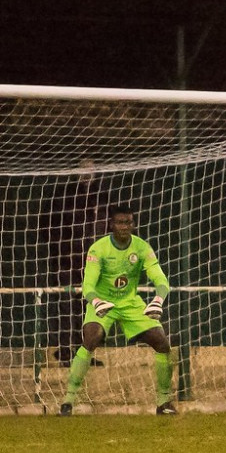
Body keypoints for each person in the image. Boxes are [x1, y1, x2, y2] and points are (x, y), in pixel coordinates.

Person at [58, 204, 175, 416]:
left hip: (130, 303)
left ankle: (164, 402)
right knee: (92, 338)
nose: (124, 227)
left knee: (162, 342)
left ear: (133, 224)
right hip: (102, 302)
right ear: (111, 224)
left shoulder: (142, 248)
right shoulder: (98, 248)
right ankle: (68, 401)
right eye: (120, 222)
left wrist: (158, 299)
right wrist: (94, 301)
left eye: (128, 222)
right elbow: (88, 285)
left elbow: (161, 279)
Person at [46, 158, 106, 367]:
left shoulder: (101, 197)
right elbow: (52, 230)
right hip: (67, 262)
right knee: (66, 305)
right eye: (83, 168)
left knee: (89, 308)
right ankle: (64, 351)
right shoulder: (66, 197)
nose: (88, 173)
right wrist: (60, 256)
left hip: (91, 264)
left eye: (91, 168)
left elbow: (101, 229)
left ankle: (85, 352)